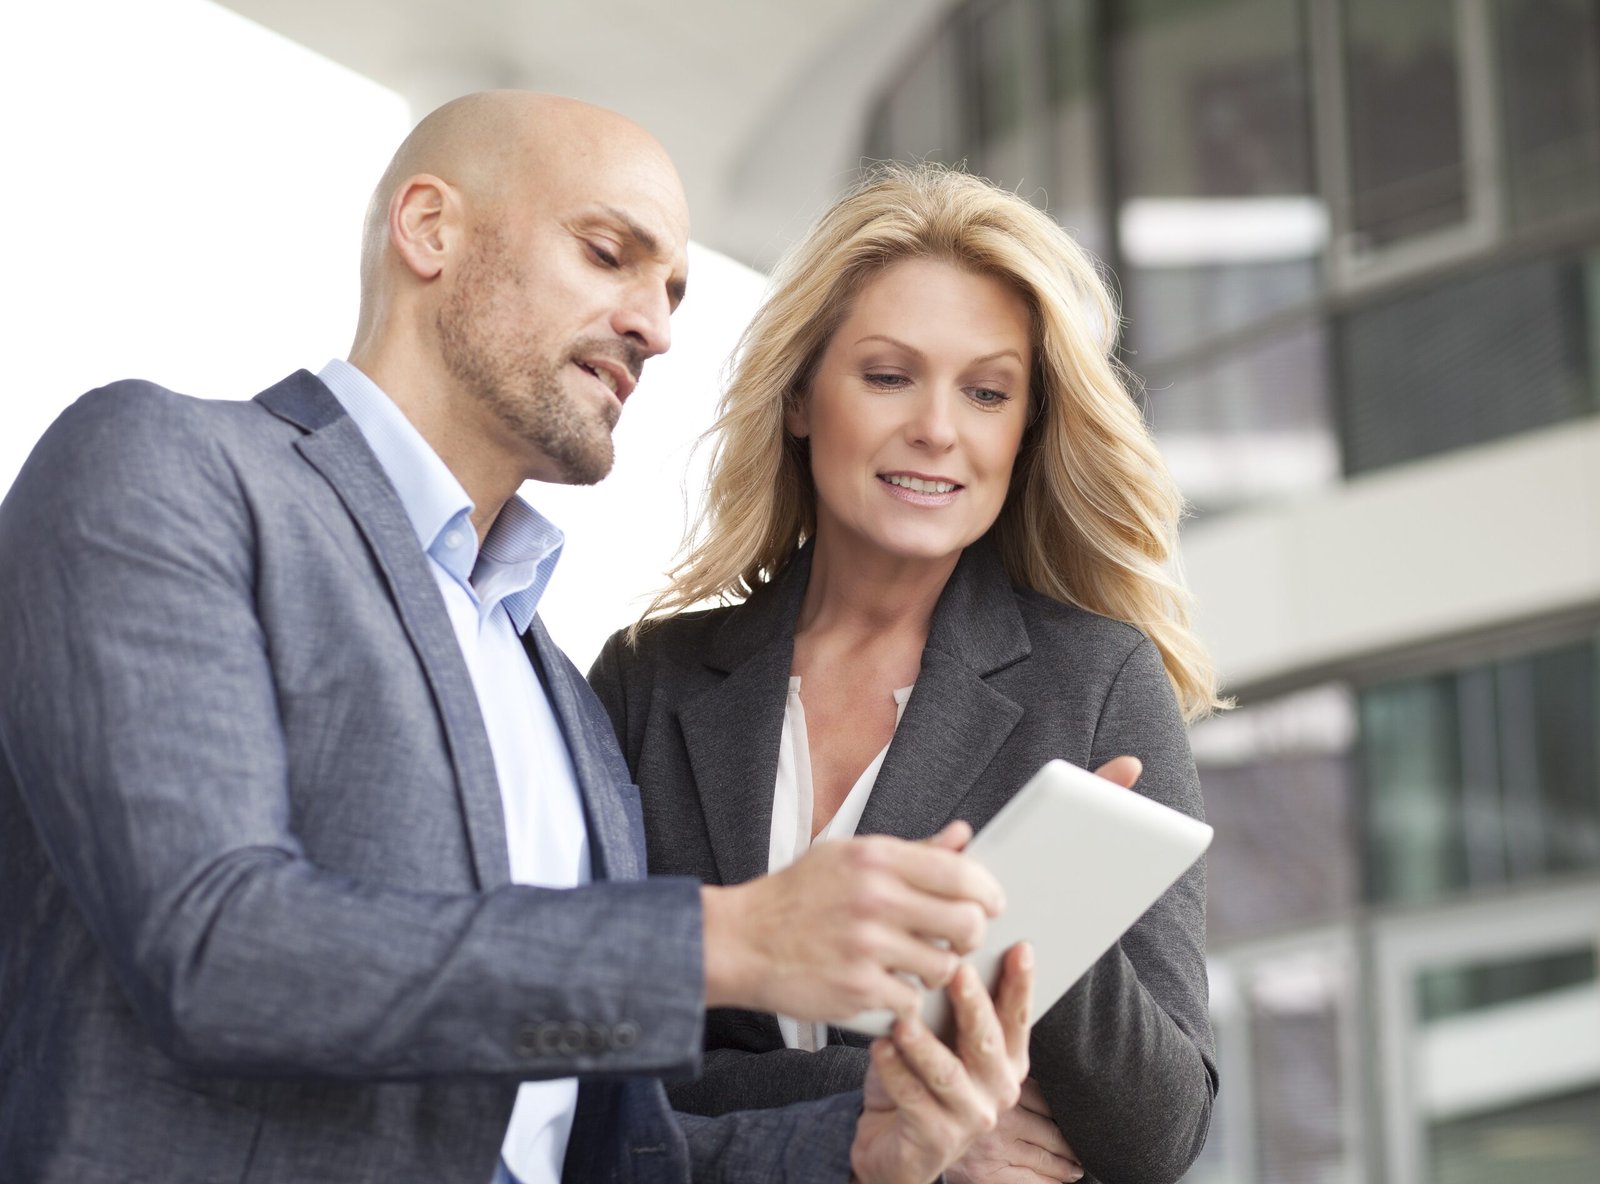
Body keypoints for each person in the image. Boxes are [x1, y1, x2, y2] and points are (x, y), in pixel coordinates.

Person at [0, 93, 1036, 1184]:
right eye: (608, 254)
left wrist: (860, 1146)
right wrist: (728, 941)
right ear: (430, 228)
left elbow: (596, 1148)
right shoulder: (167, 469)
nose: (656, 327)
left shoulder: (567, 703)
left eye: (673, 292)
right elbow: (216, 949)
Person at [589, 163, 1226, 1184]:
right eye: (888, 375)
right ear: (801, 397)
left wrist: (1038, 909)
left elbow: (1157, 1136)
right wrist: (889, 1108)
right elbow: (587, 1051)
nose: (937, 427)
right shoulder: (648, 680)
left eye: (987, 392)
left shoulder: (1097, 681)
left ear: (1024, 430)